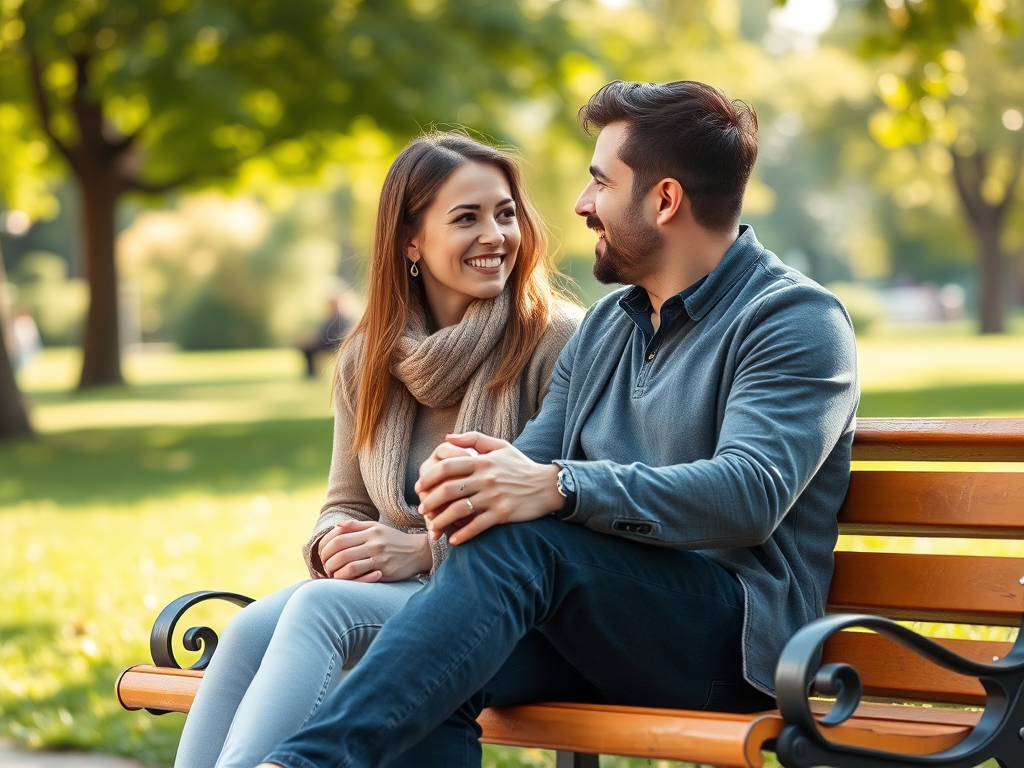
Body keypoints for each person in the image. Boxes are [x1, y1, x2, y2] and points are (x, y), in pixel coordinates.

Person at [258, 80, 859, 768]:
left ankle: (306, 764)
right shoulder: (608, 326)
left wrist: (560, 487)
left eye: (600, 182)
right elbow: (523, 478)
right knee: (439, 673)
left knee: (527, 546)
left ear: (664, 200)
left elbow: (748, 496)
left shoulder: (793, 321)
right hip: (597, 625)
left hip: (735, 649)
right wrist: (474, 484)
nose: (579, 205)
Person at [172, 132, 580, 768]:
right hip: (388, 591)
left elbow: (560, 499)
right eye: (466, 218)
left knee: (317, 611)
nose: (495, 236)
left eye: (505, 214)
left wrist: (419, 549)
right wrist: (337, 544)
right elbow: (345, 500)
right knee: (250, 628)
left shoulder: (555, 341)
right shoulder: (368, 356)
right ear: (410, 240)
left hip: (492, 600)